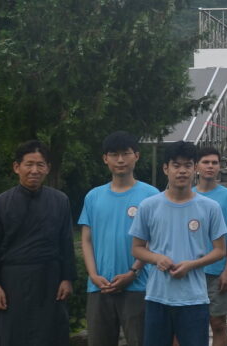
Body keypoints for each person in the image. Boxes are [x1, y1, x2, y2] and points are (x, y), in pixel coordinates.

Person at [129, 141, 227, 346]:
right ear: (166, 168)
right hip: (157, 296)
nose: (182, 171)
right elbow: (137, 248)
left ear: (195, 169)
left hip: (194, 298)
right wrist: (157, 258)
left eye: (188, 165)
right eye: (176, 165)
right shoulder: (149, 206)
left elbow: (220, 251)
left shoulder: (210, 207)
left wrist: (191, 265)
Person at [0, 140, 75, 346]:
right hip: (12, 281)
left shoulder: (60, 201)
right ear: (17, 167)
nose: (34, 170)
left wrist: (67, 278)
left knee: (50, 335)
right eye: (29, 164)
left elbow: (66, 242)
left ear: (48, 168)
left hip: (49, 279)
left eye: (40, 165)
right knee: (11, 336)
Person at [79, 132, 158, 346]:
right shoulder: (93, 196)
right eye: (114, 154)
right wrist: (93, 275)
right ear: (105, 158)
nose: (120, 160)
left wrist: (133, 272)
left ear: (137, 156)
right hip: (99, 287)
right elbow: (86, 239)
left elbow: (154, 241)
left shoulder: (151, 195)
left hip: (138, 286)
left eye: (126, 153)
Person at [194, 146, 227, 346]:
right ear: (197, 166)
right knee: (191, 324)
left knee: (218, 323)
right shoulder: (187, 194)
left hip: (218, 271)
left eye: (214, 163)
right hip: (191, 270)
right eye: (206, 162)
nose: (210, 166)